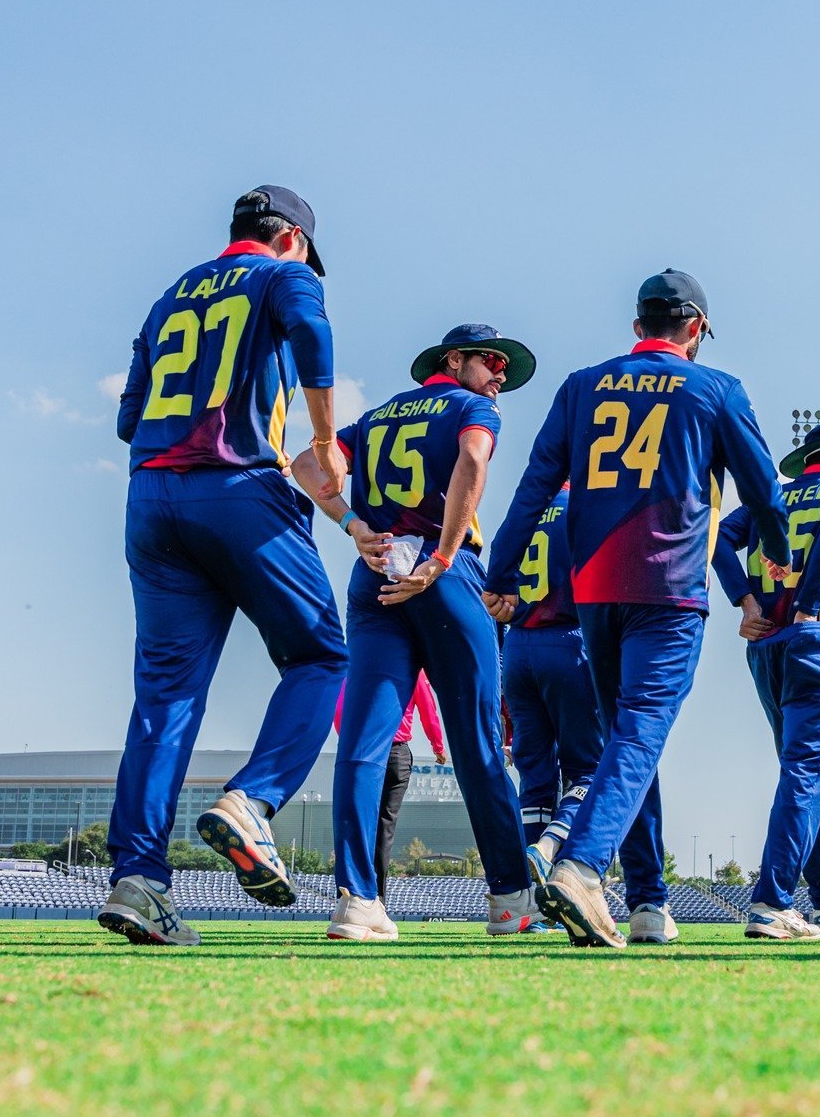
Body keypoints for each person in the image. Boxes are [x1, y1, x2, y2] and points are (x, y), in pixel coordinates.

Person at [483, 270, 789, 949]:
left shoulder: (581, 384)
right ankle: (585, 867)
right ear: (697, 329)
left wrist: (502, 574)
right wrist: (776, 568)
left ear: (637, 326)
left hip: (594, 593)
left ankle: (648, 900)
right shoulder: (716, 388)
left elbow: (533, 487)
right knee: (641, 731)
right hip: (669, 587)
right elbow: (764, 492)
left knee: (628, 735)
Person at [99, 186, 350, 948]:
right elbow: (310, 328)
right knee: (320, 655)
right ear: (294, 240)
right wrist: (325, 438)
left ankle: (138, 879)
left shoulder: (168, 296)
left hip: (151, 495)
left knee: (164, 700)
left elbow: (126, 421)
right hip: (239, 486)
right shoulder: (284, 276)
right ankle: (253, 799)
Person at [290, 323, 538, 941]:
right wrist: (446, 555)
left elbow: (302, 461)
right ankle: (510, 900)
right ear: (453, 361)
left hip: (374, 574)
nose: (499, 373)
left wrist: (350, 522)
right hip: (440, 572)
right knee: (478, 742)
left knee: (364, 743)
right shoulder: (471, 407)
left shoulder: (375, 417)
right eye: (490, 360)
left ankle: (357, 901)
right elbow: (474, 458)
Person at [714, 420, 820, 940]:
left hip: (766, 645)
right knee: (808, 773)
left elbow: (718, 534)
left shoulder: (777, 498)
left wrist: (743, 599)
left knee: (812, 771)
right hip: (818, 638)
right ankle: (771, 901)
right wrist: (810, 607)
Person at [504, 485, 676, 943]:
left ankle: (532, 906)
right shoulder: (587, 503)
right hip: (568, 639)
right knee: (595, 766)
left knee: (535, 783)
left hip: (517, 647)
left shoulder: (530, 507)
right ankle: (554, 846)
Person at [330, 673, 448, 899]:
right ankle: (378, 899)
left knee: (356, 821)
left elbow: (339, 710)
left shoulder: (358, 662)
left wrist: (348, 740)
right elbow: (428, 709)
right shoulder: (414, 671)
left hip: (362, 750)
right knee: (385, 824)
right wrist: (437, 745)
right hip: (396, 753)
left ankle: (351, 895)